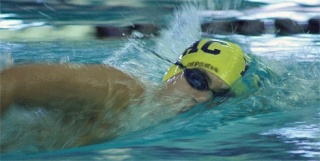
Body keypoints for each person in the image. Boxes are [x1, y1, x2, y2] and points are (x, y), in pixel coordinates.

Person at [0, 38, 247, 149]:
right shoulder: (120, 92)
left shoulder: (152, 122)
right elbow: (12, 82)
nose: (202, 98)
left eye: (219, 95)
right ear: (174, 71)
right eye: (197, 80)